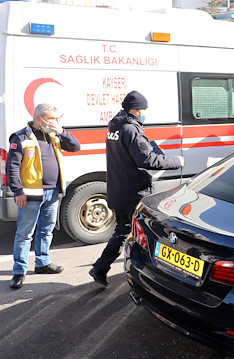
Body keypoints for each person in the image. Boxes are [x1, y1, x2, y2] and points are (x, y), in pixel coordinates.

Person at [89, 91, 183, 287]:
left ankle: (100, 268)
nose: (144, 114)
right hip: (135, 191)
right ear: (135, 110)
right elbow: (147, 159)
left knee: (123, 231)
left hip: (119, 189)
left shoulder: (115, 127)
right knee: (151, 231)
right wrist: (176, 161)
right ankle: (153, 275)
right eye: (143, 110)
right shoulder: (131, 130)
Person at [7, 103, 81, 289]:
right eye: (52, 119)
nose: (55, 122)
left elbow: (75, 147)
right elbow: (12, 167)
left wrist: (62, 131)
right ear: (39, 118)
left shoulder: (54, 134)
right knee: (25, 234)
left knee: (46, 230)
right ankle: (19, 271)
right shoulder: (21, 137)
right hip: (30, 194)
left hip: (53, 191)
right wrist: (18, 191)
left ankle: (42, 263)